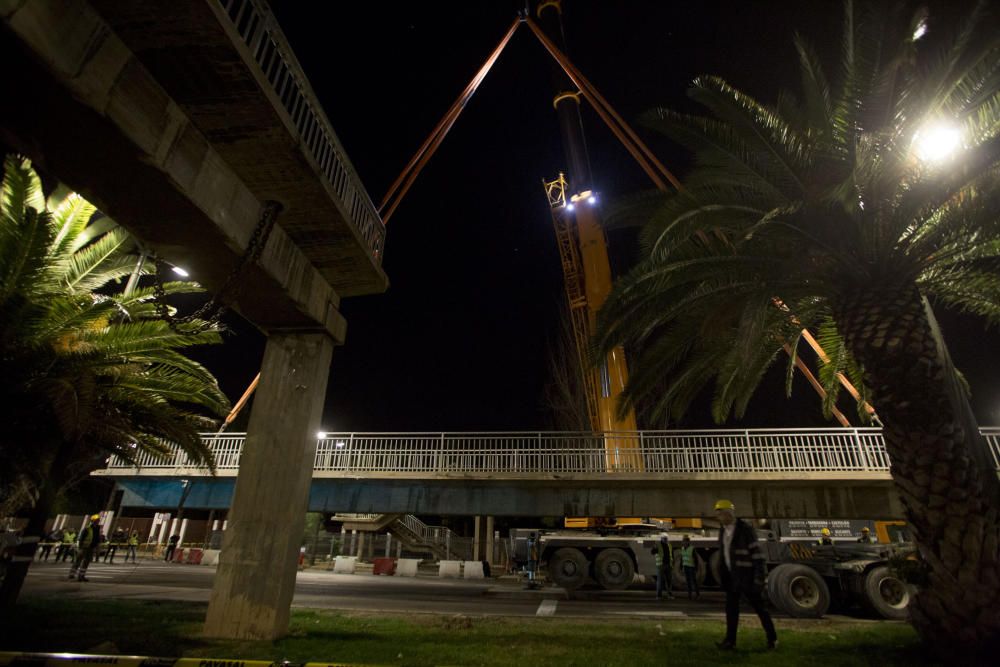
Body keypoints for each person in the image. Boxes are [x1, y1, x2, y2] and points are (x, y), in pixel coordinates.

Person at [714, 499, 777, 651]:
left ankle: (772, 639)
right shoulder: (723, 530)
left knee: (760, 609)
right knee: (731, 611)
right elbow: (724, 554)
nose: (718, 517)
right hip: (732, 578)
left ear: (728, 513)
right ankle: (730, 641)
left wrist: (758, 579)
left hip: (747, 577)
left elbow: (757, 555)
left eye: (720, 514)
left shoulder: (745, 530)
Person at [68, 514, 101, 582]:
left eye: (98, 520)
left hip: (90, 548)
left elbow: (97, 539)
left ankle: (81, 576)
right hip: (84, 547)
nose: (98, 521)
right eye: (97, 520)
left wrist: (97, 547)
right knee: (78, 561)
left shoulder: (97, 528)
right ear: (93, 520)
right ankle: (72, 574)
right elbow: (81, 538)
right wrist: (80, 547)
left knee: (86, 562)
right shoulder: (87, 528)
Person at [654, 535, 674, 600]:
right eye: (664, 538)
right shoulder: (658, 545)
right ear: (661, 539)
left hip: (668, 565)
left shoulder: (669, 545)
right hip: (661, 565)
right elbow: (653, 552)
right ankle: (659, 596)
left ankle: (669, 594)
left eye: (666, 538)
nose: (665, 540)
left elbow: (671, 554)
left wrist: (672, 564)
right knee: (660, 581)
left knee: (669, 581)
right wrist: (654, 548)